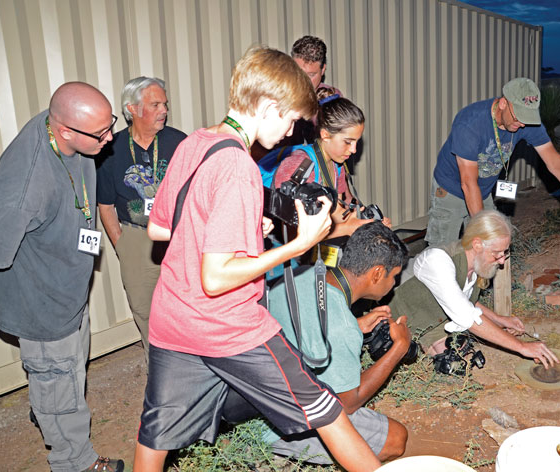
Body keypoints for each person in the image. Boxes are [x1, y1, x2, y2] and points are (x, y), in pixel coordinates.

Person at [133, 46, 381, 472]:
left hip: (174, 321)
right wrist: (297, 245)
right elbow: (216, 278)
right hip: (229, 326)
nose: (288, 133)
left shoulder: (197, 141)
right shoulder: (239, 166)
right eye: (288, 119)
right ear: (268, 106)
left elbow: (160, 227)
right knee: (323, 406)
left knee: (155, 437)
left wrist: (244, 229)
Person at [0, 82, 124, 471]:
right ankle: (76, 462)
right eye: (101, 133)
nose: (110, 137)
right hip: (44, 310)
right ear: (65, 131)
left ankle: (46, 405)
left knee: (64, 376)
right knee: (60, 384)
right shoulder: (25, 184)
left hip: (68, 294)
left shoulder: (70, 134)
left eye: (110, 125)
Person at [261, 221, 410, 464]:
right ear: (377, 273)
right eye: (394, 276)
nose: (394, 283)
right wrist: (398, 349)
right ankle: (277, 450)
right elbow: (348, 403)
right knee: (396, 438)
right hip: (278, 422)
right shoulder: (340, 325)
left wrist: (356, 324)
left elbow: (307, 327)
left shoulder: (303, 273)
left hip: (262, 392)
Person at [426, 77, 560, 246]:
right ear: (503, 103)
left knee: (490, 250)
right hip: (451, 189)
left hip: (482, 189)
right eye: (518, 116)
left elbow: (555, 162)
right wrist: (483, 230)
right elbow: (468, 183)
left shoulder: (526, 122)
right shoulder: (470, 123)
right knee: (442, 255)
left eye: (527, 118)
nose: (522, 125)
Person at [389, 210, 559, 369]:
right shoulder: (438, 261)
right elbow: (466, 315)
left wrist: (500, 320)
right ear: (477, 244)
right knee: (452, 364)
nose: (501, 261)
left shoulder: (476, 261)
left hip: (435, 315)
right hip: (407, 315)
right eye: (497, 253)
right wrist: (522, 347)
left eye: (505, 253)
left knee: (464, 353)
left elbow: (467, 300)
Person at [97, 77, 187, 362]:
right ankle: (159, 369)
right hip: (136, 237)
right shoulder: (112, 149)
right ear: (132, 109)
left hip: (178, 237)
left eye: (165, 104)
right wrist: (122, 245)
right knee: (145, 310)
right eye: (155, 104)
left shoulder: (178, 142)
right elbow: (106, 205)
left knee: (185, 307)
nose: (163, 110)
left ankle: (192, 368)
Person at [274, 88, 392, 239]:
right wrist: (348, 228)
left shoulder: (337, 165)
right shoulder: (299, 167)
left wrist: (369, 225)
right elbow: (297, 235)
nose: (354, 150)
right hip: (284, 256)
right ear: (325, 135)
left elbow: (338, 214)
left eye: (357, 142)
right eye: (348, 142)